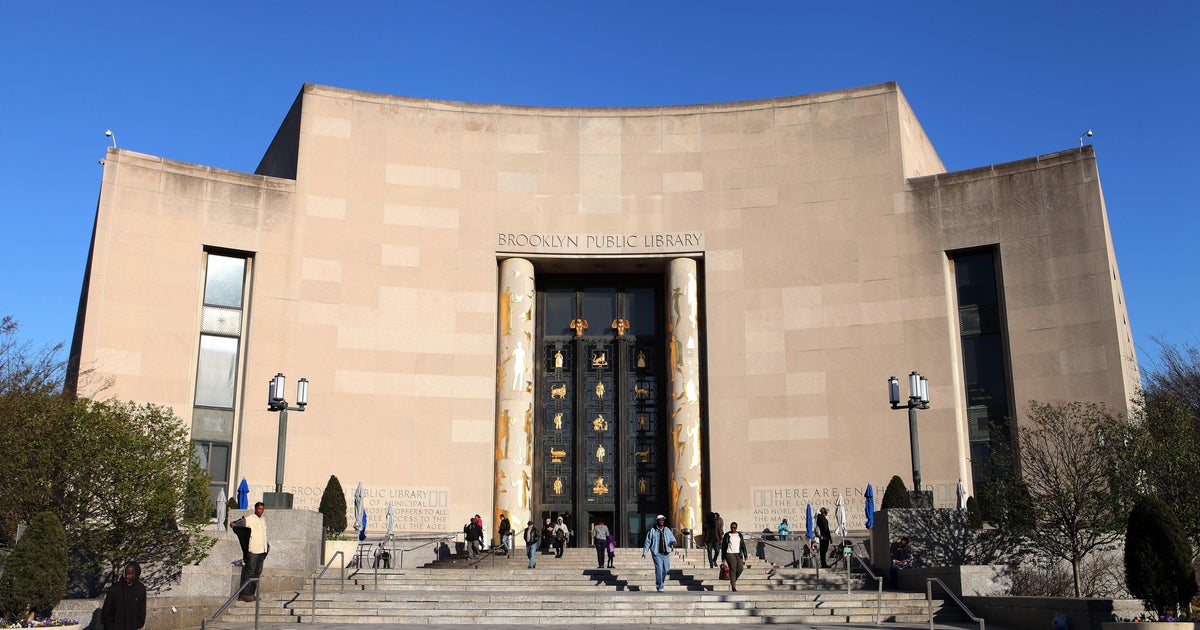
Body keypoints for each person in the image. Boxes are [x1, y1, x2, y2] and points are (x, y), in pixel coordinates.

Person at [232, 502, 269, 601]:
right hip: (253, 549)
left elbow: (262, 534)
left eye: (262, 509)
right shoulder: (249, 519)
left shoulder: (263, 520)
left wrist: (267, 545)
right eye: (259, 509)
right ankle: (245, 594)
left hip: (262, 550)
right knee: (250, 572)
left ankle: (251, 593)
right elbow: (235, 524)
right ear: (255, 509)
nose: (261, 511)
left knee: (257, 572)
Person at [101, 561, 146, 629]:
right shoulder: (115, 589)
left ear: (136, 574)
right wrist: (111, 625)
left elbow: (141, 610)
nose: (127, 576)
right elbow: (107, 610)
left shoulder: (140, 589)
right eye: (126, 573)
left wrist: (136, 624)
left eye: (130, 574)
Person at [641, 514, 677, 592]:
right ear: (657, 521)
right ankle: (659, 586)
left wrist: (673, 542)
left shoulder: (667, 530)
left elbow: (672, 538)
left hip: (666, 553)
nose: (662, 521)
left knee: (666, 569)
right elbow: (647, 542)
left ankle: (661, 582)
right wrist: (644, 552)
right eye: (660, 520)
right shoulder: (652, 530)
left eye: (663, 520)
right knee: (659, 569)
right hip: (657, 553)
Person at [721, 521, 748, 592]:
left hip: (738, 553)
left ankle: (733, 581)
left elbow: (743, 545)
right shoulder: (727, 535)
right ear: (730, 528)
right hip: (730, 554)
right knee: (733, 568)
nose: (733, 529)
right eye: (732, 528)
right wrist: (723, 558)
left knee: (740, 568)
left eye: (735, 528)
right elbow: (724, 547)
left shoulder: (739, 535)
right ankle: (733, 586)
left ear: (736, 528)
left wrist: (745, 554)